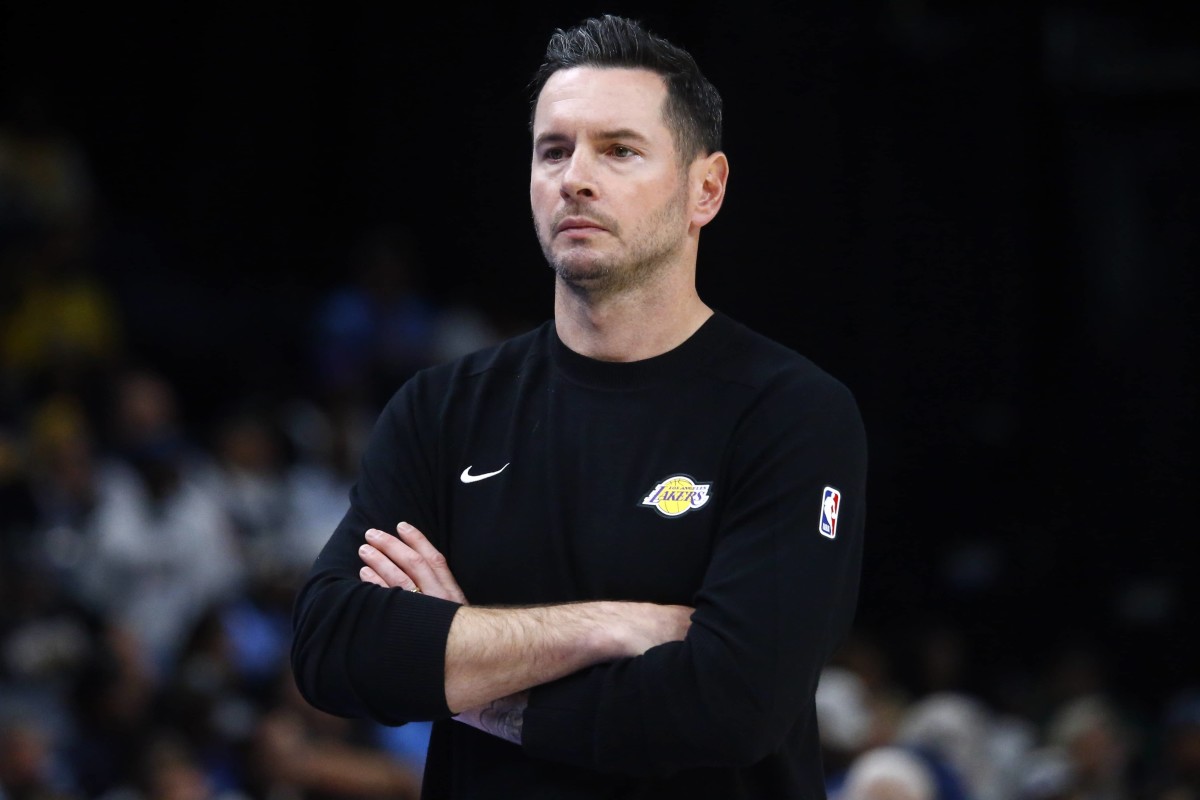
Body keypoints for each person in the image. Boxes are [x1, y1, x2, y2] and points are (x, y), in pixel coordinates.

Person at [291, 14, 867, 799]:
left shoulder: (791, 415)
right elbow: (334, 648)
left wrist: (468, 673)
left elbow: (733, 704)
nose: (575, 178)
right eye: (553, 150)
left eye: (619, 150)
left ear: (708, 188)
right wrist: (606, 626)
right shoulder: (442, 408)